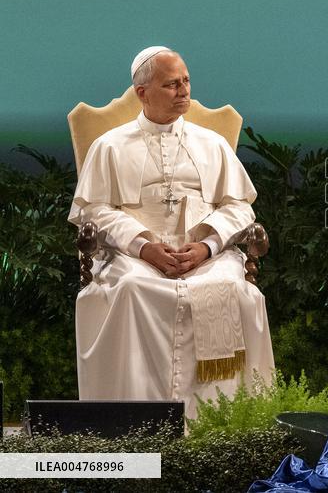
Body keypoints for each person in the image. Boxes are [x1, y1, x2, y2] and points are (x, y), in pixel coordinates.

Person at [69, 46, 274, 419]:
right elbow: (94, 209)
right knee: (131, 289)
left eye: (186, 82)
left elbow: (239, 207)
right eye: (171, 85)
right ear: (142, 93)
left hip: (202, 256)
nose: (183, 92)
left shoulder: (212, 144)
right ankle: (133, 421)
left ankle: (225, 421)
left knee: (234, 291)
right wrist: (144, 247)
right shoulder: (109, 146)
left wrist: (208, 247)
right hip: (133, 256)